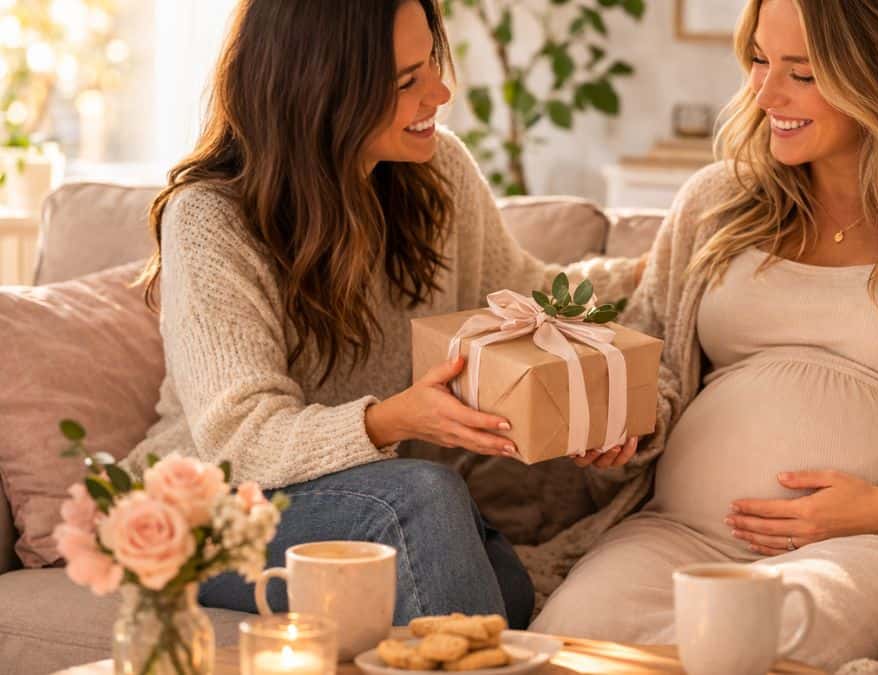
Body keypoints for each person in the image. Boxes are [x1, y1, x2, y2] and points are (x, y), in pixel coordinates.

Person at [531, 0, 878, 668]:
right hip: (674, 537)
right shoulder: (715, 201)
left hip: (867, 546)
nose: (766, 94)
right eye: (760, 61)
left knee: (760, 645)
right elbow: (655, 361)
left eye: (801, 72)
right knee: (563, 637)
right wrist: (631, 420)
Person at [124, 0, 642, 629]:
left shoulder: (437, 173)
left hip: (368, 497)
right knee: (422, 505)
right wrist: (390, 420)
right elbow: (242, 441)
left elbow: (525, 296)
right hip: (209, 511)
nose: (441, 92)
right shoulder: (211, 217)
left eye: (432, 64)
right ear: (323, 91)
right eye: (406, 82)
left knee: (501, 583)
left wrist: (667, 266)